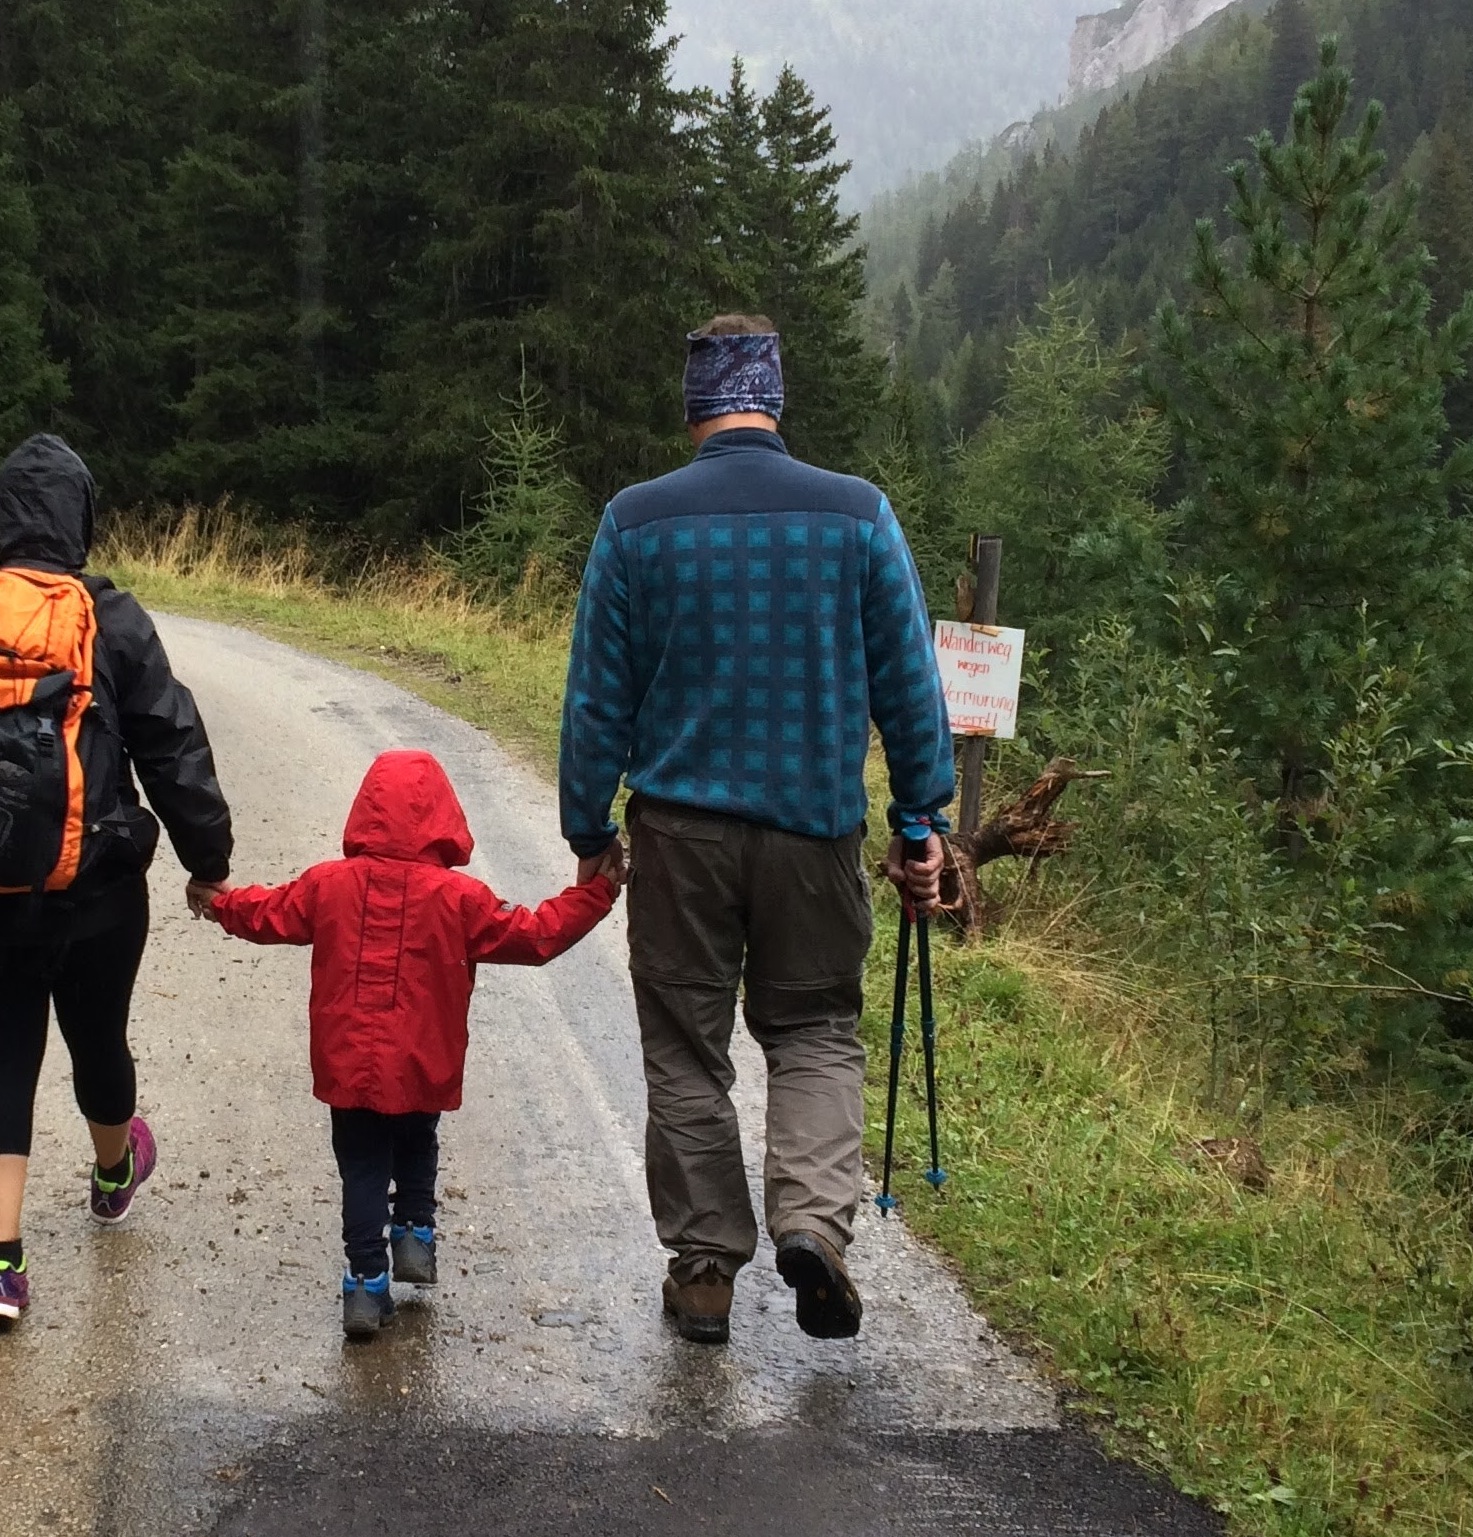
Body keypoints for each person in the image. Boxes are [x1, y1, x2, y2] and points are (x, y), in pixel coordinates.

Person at [558, 315, 955, 1348]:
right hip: (815, 831)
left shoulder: (634, 524)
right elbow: (910, 689)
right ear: (772, 397)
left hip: (681, 837)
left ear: (692, 405)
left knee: (687, 1050)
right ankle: (812, 1228)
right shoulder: (858, 516)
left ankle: (702, 1274)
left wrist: (586, 823)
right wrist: (923, 820)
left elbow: (596, 700)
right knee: (816, 1028)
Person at [0, 434, 234, 1331]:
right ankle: (114, 1174)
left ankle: (0, 1266)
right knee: (97, 1038)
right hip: (96, 890)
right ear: (81, 519)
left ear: (0, 519)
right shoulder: (109, 618)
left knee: (3, 1057)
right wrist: (207, 862)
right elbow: (171, 746)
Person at [207, 749, 616, 1341]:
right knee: (418, 1139)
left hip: (348, 1062)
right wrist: (596, 894)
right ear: (443, 817)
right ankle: (415, 1232)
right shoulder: (461, 898)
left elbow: (268, 912)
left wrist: (219, 900)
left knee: (362, 1164)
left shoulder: (328, 885)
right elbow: (535, 934)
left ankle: (366, 1282)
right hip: (424, 1059)